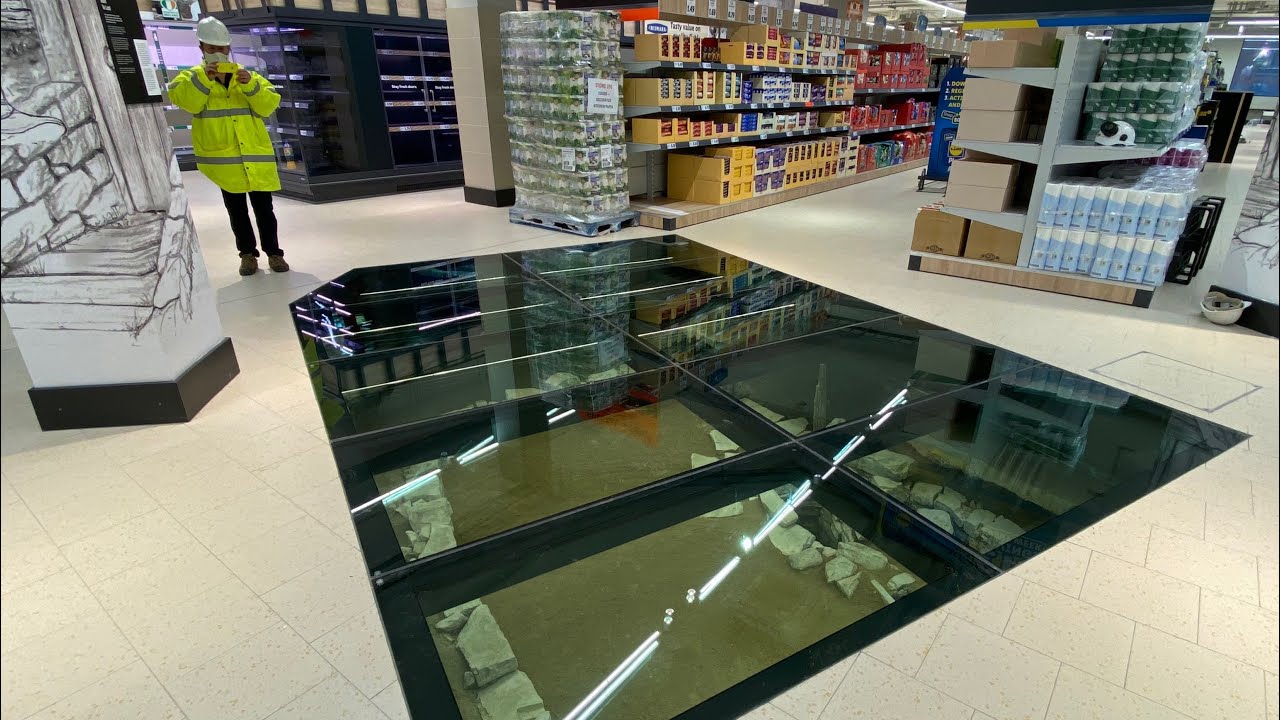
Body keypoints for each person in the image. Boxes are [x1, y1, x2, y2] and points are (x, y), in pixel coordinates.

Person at [168, 17, 289, 276]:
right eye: (211, 49)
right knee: (237, 212)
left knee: (265, 210)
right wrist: (205, 79)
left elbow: (268, 106)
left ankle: (274, 253)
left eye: (222, 49)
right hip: (224, 160)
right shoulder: (188, 78)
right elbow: (189, 104)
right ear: (201, 48)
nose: (218, 54)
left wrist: (250, 85)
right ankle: (247, 255)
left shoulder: (248, 76)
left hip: (254, 157)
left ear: (228, 49)